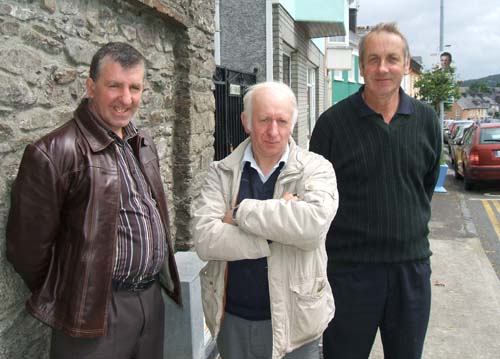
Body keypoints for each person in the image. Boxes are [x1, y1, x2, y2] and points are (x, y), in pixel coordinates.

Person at [6, 42, 181, 359]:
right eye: (114, 86)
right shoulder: (53, 153)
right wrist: (74, 295)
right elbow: (27, 252)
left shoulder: (140, 142)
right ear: (90, 87)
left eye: (135, 87)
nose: (126, 99)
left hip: (151, 304)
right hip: (95, 316)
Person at [309, 22, 441, 359]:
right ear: (362, 65)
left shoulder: (427, 121)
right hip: (349, 274)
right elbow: (317, 196)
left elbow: (422, 187)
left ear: (406, 65)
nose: (383, 68)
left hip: (410, 272)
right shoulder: (332, 125)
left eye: (392, 59)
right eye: (373, 59)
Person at [191, 81, 339, 359]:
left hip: (298, 326)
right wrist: (279, 226)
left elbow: (312, 227)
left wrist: (238, 213)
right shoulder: (220, 173)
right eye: (264, 120)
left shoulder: (316, 168)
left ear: (292, 123)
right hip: (232, 321)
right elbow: (204, 238)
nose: (273, 131)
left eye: (281, 121)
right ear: (246, 121)